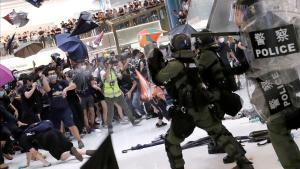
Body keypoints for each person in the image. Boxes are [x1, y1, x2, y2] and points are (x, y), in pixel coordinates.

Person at [147, 34, 253, 169]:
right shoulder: (194, 60)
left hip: (186, 112)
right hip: (203, 107)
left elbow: (158, 79)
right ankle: (243, 163)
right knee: (220, 133)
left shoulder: (175, 65)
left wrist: (153, 64)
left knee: (171, 142)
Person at [232, 0, 300, 168]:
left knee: (277, 125)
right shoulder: (274, 20)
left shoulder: (254, 29)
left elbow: (254, 65)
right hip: (291, 81)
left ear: (247, 10)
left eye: (237, 11)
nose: (235, 16)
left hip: (275, 83)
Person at [19, 120, 95, 168]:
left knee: (61, 157)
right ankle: (87, 152)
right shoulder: (33, 126)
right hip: (56, 132)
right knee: (68, 147)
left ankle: (71, 152)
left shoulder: (23, 138)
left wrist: (46, 163)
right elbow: (28, 152)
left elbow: (34, 152)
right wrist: (28, 163)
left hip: (48, 138)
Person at [41, 67, 84, 148]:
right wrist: (43, 77)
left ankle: (79, 141)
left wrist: (66, 89)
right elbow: (47, 89)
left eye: (53, 73)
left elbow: (74, 85)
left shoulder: (62, 82)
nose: (52, 75)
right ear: (47, 76)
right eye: (50, 74)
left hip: (65, 109)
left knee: (71, 124)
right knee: (58, 129)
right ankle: (62, 145)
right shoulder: (48, 85)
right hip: (54, 111)